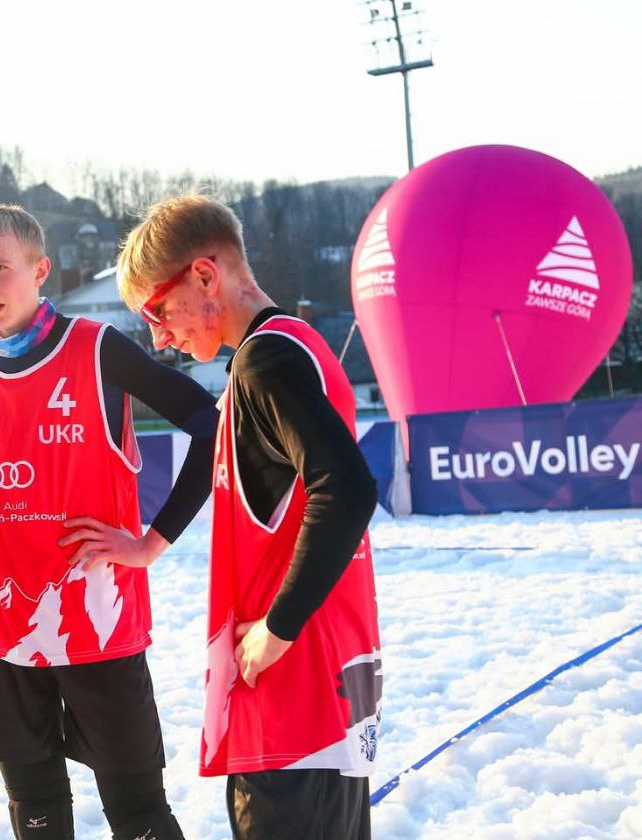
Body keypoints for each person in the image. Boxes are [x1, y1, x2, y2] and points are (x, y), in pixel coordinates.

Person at [0, 205, 218, 840]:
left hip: (99, 624)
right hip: (9, 627)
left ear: (39, 270)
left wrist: (151, 544)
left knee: (138, 814)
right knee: (36, 811)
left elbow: (210, 425)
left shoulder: (96, 349)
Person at [115, 194, 382, 840]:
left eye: (158, 310)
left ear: (206, 276)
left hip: (295, 705)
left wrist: (278, 628)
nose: (159, 336)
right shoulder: (290, 347)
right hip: (323, 700)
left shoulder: (268, 362)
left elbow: (346, 489)